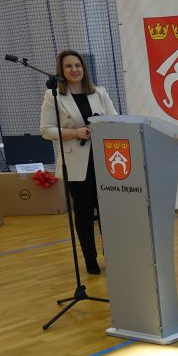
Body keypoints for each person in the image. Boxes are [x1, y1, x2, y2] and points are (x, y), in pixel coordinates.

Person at [39, 50, 118, 275]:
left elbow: (115, 119)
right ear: (61, 71)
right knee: (84, 213)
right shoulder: (53, 96)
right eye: (69, 66)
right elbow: (46, 130)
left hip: (104, 161)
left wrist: (102, 128)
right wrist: (75, 132)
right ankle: (91, 260)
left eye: (77, 65)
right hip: (76, 162)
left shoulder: (100, 92)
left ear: (84, 68)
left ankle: (113, 257)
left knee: (108, 213)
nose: (74, 69)